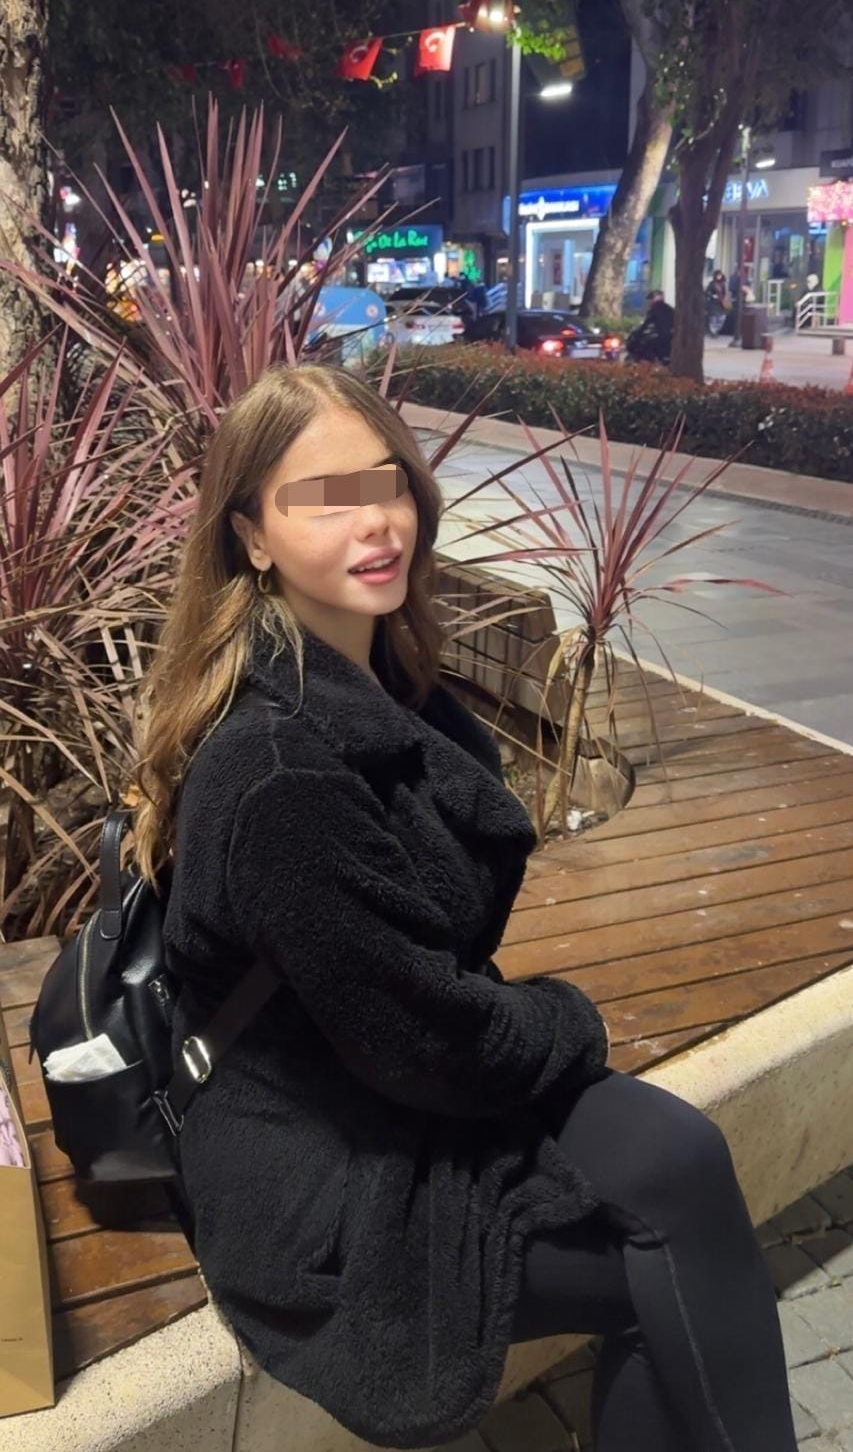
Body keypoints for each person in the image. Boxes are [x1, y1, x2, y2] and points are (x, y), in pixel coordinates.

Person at [126, 363, 799, 1452]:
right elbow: (428, 1044)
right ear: (251, 536)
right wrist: (570, 1018)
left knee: (680, 1154)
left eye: (386, 482)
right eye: (323, 499)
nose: (374, 521)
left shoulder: (375, 678)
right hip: (319, 1168)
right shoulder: (280, 769)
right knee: (673, 1268)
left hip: (382, 1069)